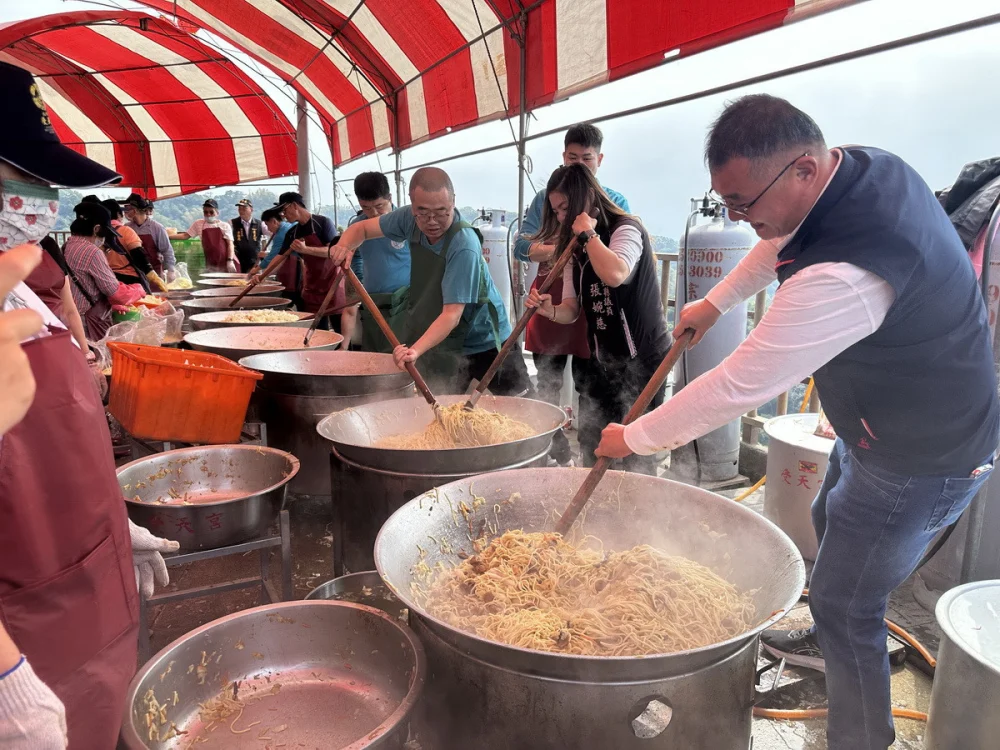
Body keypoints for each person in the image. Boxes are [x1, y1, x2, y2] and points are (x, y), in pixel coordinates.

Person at [595, 94, 1000, 750]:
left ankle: (860, 736)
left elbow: (738, 385)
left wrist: (633, 436)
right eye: (725, 203)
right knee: (827, 520)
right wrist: (717, 299)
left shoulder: (847, 272)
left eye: (742, 203)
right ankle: (823, 640)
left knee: (848, 603)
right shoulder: (856, 168)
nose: (737, 218)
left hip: (926, 454)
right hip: (876, 425)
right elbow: (780, 237)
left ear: (803, 169)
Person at [0, 61, 179, 749]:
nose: (42, 200)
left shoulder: (18, 288)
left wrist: (108, 520)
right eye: (24, 178)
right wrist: (7, 682)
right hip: (29, 634)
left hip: (84, 589)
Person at [330, 167, 533, 395]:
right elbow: (362, 229)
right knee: (441, 406)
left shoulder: (463, 244)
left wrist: (415, 351)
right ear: (412, 204)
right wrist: (344, 246)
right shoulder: (408, 218)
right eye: (423, 212)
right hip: (444, 341)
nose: (432, 221)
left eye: (441, 212)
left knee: (523, 405)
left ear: (453, 202)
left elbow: (452, 315)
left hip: (484, 338)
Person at [526, 164, 668, 474]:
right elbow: (571, 309)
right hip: (602, 360)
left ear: (588, 196)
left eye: (565, 208)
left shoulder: (626, 228)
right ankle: (595, 500)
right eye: (556, 211)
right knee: (593, 442)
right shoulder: (574, 248)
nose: (561, 217)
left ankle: (639, 503)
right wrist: (550, 310)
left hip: (643, 360)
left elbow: (616, 273)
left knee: (638, 451)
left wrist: (588, 235)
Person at [515, 123, 630, 465]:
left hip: (591, 303)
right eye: (572, 158)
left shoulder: (615, 203)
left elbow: (618, 266)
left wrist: (583, 243)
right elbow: (521, 246)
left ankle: (589, 457)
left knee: (590, 384)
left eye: (586, 159)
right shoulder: (547, 196)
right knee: (547, 381)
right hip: (550, 293)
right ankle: (550, 452)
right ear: (563, 157)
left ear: (600, 160)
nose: (578, 165)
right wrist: (560, 248)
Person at [63, 201, 145, 340]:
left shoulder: (66, 246)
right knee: (95, 353)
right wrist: (139, 289)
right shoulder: (92, 252)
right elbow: (117, 294)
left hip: (70, 318)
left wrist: (110, 305)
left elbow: (83, 286)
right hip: (86, 323)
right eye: (104, 234)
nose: (104, 240)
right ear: (96, 229)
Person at [350, 171, 411, 353]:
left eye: (379, 206)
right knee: (374, 353)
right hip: (372, 300)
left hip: (404, 301)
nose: (374, 213)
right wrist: (360, 281)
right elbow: (355, 257)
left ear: (389, 198)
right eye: (366, 208)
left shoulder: (407, 223)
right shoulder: (357, 227)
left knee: (401, 353)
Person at [275, 192, 347, 333]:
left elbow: (333, 252)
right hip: (312, 285)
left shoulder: (323, 223)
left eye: (284, 210)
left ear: (294, 205)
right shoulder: (293, 232)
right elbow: (279, 258)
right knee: (318, 332)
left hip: (333, 283)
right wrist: (260, 277)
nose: (283, 215)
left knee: (340, 329)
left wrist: (305, 249)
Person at [170, 198, 236, 272]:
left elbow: (230, 244)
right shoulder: (198, 224)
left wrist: (230, 261)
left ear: (217, 212)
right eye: (205, 212)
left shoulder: (225, 226)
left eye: (211, 212)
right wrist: (167, 236)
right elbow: (185, 236)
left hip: (226, 260)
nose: (208, 214)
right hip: (210, 260)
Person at [125, 194, 177, 280]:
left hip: (155, 272)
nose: (125, 212)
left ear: (135, 211)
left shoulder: (157, 228)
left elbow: (167, 250)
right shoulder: (127, 227)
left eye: (128, 209)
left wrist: (171, 270)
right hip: (134, 272)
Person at [231, 197, 262, 272]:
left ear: (251, 209)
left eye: (244, 208)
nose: (241, 211)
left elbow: (271, 233)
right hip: (238, 261)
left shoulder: (260, 224)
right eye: (239, 209)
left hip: (255, 261)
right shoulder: (232, 223)